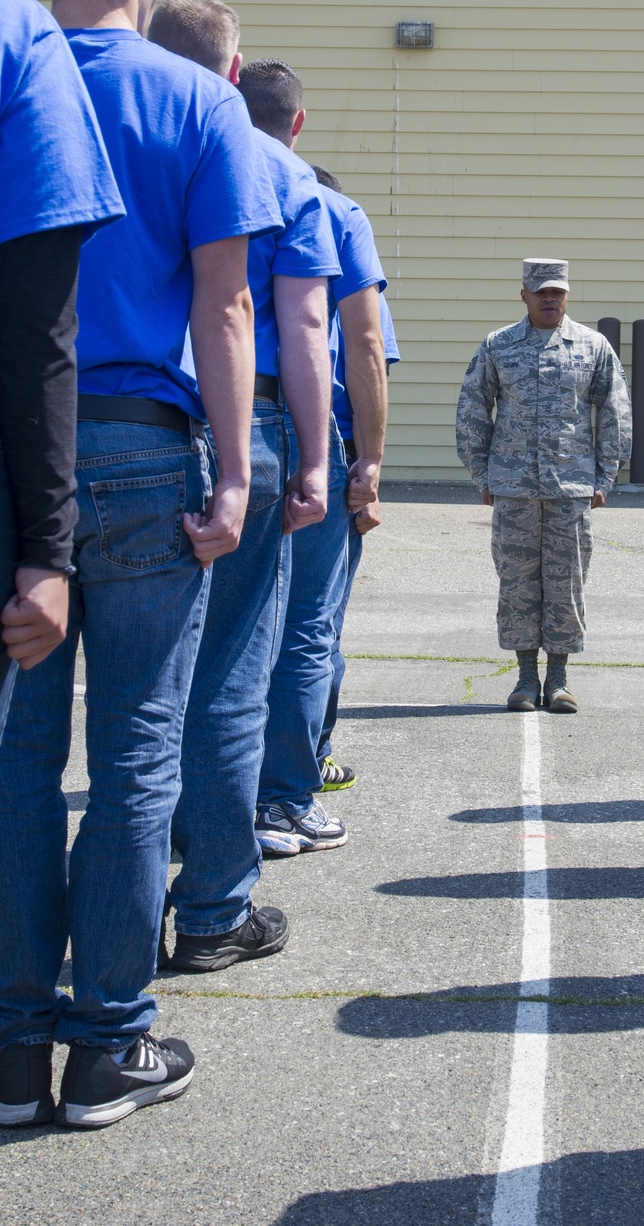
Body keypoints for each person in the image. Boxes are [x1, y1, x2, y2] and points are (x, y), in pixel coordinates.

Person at [0, 0, 281, 1131]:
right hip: (149, 446)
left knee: (16, 760)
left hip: (9, 450)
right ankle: (110, 1041)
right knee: (137, 750)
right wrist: (235, 468)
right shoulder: (199, 104)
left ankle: (9, 1048)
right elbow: (226, 304)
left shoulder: (8, 70)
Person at [146, 0, 340, 973]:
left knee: (127, 691)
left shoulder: (105, 132)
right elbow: (304, 326)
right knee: (229, 671)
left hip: (111, 417)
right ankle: (215, 903)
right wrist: (315, 457)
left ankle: (108, 907)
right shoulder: (278, 169)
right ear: (232, 74)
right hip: (246, 418)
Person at [0, 0, 125, 1128]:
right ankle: (71, 1044)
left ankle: (18, 1047)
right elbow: (35, 322)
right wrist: (47, 547)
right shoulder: (8, 34)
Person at [235, 61, 390, 858]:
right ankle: (285, 797)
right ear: (298, 124)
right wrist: (367, 458)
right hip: (297, 423)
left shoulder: (200, 171)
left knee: (222, 633)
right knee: (305, 625)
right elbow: (361, 339)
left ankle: (211, 807)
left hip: (195, 418)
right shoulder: (328, 204)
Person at [456, 258, 631, 712]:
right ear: (524, 296)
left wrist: (604, 476)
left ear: (567, 294)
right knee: (516, 583)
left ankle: (558, 678)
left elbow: (614, 411)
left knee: (565, 584)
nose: (549, 299)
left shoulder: (592, 346)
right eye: (541, 292)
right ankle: (524, 678)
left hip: (570, 487)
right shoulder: (498, 345)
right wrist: (482, 472)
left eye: (557, 291)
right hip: (513, 488)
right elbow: (473, 408)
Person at [315, 171, 402, 793]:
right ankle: (305, 761)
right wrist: (369, 466)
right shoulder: (344, 236)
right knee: (315, 627)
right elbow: (369, 351)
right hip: (331, 452)